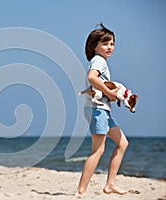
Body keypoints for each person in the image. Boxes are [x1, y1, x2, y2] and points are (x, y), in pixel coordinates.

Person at [76, 23, 129, 195]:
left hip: (102, 109)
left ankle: (110, 184)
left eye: (112, 43)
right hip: (97, 109)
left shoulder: (99, 61)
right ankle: (80, 191)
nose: (110, 47)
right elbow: (92, 77)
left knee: (122, 143)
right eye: (105, 43)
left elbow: (94, 83)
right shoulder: (98, 60)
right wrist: (109, 93)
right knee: (97, 150)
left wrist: (110, 95)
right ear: (95, 46)